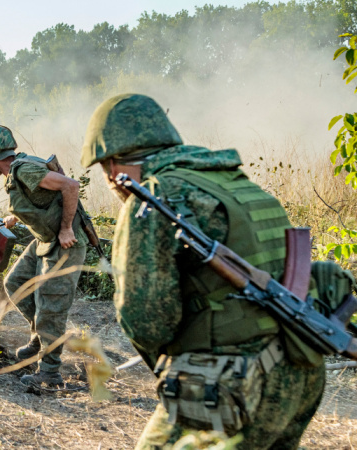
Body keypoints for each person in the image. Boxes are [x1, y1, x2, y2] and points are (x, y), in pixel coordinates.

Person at [81, 93, 326, 449]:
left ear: (113, 164)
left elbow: (146, 322)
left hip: (235, 384)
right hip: (300, 372)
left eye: (106, 171)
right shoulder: (237, 184)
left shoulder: (154, 198)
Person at [0, 125, 89, 387]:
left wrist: (66, 228)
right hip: (45, 239)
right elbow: (42, 198)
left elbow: (71, 186)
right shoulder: (18, 171)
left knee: (50, 305)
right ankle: (40, 337)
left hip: (64, 243)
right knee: (16, 282)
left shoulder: (24, 169)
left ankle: (49, 372)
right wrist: (15, 217)